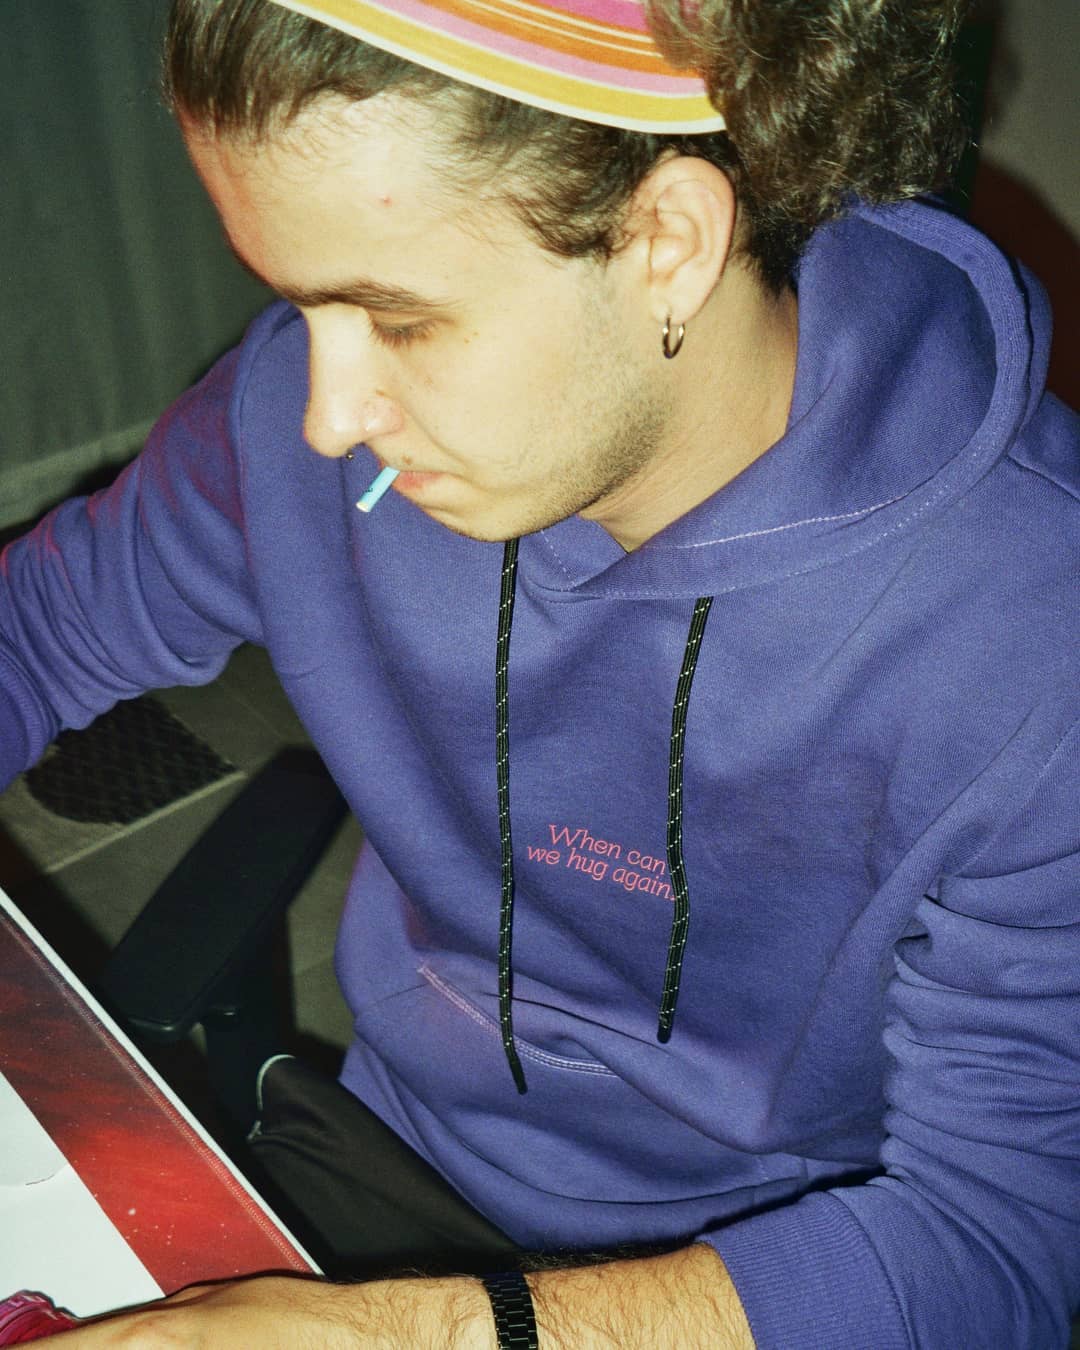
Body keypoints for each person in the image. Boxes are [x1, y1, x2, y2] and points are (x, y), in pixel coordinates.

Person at [2, 0, 1077, 1343]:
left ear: (667, 244)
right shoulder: (306, 416)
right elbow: (37, 628)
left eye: (399, 319)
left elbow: (1003, 1244)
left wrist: (429, 1333)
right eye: (298, 301)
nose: (326, 415)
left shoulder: (1034, 633)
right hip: (393, 1161)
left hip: (785, 1276)